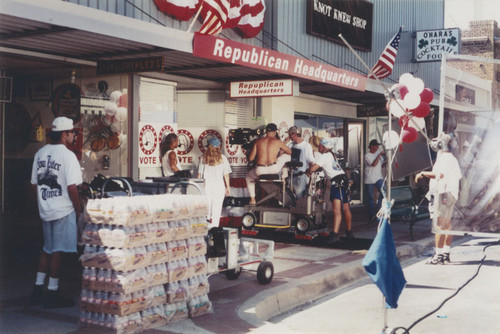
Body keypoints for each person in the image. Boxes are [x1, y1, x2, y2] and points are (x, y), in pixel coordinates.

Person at [29, 117, 82, 308]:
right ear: (65, 134)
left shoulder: (40, 153)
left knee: (47, 249)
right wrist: (78, 209)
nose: (75, 135)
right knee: (58, 251)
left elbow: (34, 184)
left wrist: (43, 202)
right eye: (72, 132)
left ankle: (37, 290)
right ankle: (52, 292)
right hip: (63, 210)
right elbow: (72, 188)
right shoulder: (68, 156)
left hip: (46, 209)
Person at [415, 132, 461, 265]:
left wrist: (423, 173)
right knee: (447, 225)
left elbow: (440, 175)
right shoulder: (451, 158)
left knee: (439, 225)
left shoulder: (446, 159)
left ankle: (438, 255)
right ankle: (446, 253)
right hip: (450, 193)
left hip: (443, 194)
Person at [307, 138, 354, 244]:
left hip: (337, 184)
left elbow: (313, 168)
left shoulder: (324, 156)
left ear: (324, 147)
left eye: (320, 145)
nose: (318, 147)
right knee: (346, 207)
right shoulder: (332, 155)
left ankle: (335, 234)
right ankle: (349, 232)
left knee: (337, 209)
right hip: (343, 181)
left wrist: (308, 170)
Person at [246, 123, 292, 205]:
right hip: (273, 169)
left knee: (248, 177)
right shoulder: (277, 142)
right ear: (275, 132)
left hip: (260, 170)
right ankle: (284, 176)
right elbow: (290, 151)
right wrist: (281, 147)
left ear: (266, 132)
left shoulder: (258, 142)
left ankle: (252, 199)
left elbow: (250, 158)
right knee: (287, 156)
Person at [198, 137, 232, 228]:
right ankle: (215, 229)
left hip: (206, 186)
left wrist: (199, 188)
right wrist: (228, 187)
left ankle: (205, 228)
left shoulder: (203, 158)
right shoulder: (223, 158)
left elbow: (199, 175)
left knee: (206, 209)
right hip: (219, 186)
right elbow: (226, 174)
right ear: (219, 146)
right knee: (217, 210)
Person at [287, 126, 316, 199]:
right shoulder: (290, 145)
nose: (289, 137)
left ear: (294, 134)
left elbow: (311, 162)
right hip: (290, 176)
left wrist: (309, 175)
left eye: (290, 135)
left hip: (300, 176)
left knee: (299, 198)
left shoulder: (306, 146)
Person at [364, 139, 387, 221]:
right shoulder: (367, 156)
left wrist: (386, 161)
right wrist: (380, 154)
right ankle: (371, 215)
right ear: (372, 146)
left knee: (384, 192)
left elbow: (381, 165)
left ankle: (378, 210)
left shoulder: (378, 153)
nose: (378, 147)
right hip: (369, 179)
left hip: (378, 177)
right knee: (370, 197)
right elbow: (373, 164)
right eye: (376, 145)